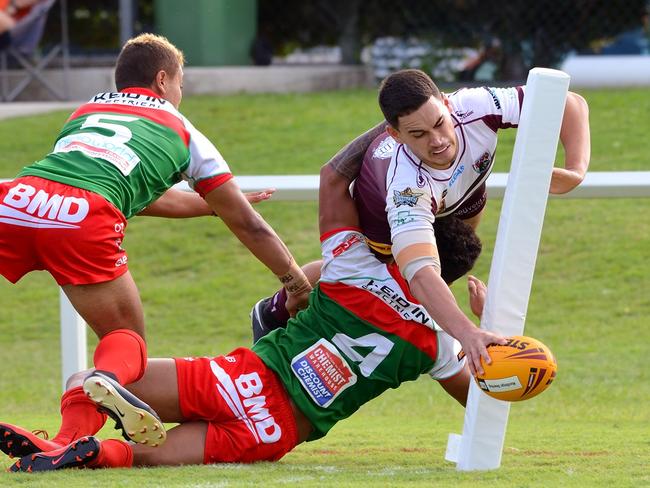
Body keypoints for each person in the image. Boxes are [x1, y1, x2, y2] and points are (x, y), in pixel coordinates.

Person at [1, 166, 502, 471]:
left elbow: (279, 303)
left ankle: (64, 440)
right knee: (137, 458)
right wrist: (482, 325)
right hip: (273, 432)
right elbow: (480, 405)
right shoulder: (437, 343)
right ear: (451, 277)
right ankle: (93, 454)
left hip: (241, 378)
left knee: (88, 378)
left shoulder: (347, 269)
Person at [0, 33, 311, 450]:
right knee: (126, 344)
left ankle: (60, 445)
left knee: (118, 347)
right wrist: (295, 282)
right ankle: (106, 381)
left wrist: (206, 206)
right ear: (163, 80)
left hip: (16, 198)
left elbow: (126, 189)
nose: (181, 94)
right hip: (82, 219)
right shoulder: (182, 130)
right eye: (181, 84)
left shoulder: (87, 109)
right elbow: (249, 226)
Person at [251, 68, 590, 374]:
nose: (438, 141)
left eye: (440, 123)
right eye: (418, 134)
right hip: (382, 215)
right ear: (396, 136)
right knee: (374, 274)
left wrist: (576, 171)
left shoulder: (475, 105)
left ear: (447, 104)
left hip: (464, 193)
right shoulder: (405, 187)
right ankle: (276, 309)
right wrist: (468, 334)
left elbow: (568, 102)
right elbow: (420, 272)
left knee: (452, 264)